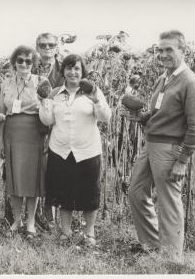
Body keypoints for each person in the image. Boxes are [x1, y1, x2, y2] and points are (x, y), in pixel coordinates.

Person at [126, 30, 195, 259]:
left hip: (170, 149)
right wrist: (141, 117)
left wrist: (183, 161)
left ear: (183, 50)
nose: (162, 54)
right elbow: (158, 113)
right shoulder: (165, 77)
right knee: (136, 191)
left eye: (169, 49)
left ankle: (171, 259)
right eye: (160, 49)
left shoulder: (190, 82)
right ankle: (151, 245)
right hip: (150, 144)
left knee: (169, 201)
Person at [39, 54, 111, 246]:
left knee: (90, 193)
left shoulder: (93, 92)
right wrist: (45, 102)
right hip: (60, 149)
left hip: (87, 150)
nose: (73, 72)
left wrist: (96, 100)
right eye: (69, 68)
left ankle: (89, 232)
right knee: (63, 192)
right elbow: (47, 121)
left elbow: (105, 117)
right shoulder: (54, 93)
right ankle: (66, 231)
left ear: (82, 71)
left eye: (77, 68)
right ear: (63, 71)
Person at [0, 45, 49, 239]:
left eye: (28, 61)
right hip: (12, 132)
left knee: (32, 179)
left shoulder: (41, 82)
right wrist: (0, 140)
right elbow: (2, 113)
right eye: (20, 60)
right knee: (15, 177)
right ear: (14, 63)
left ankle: (31, 222)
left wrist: (48, 137)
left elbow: (48, 111)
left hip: (34, 133)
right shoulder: (6, 83)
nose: (24, 64)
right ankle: (17, 220)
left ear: (33, 63)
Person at [32, 32, 65, 231]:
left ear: (57, 47)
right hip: (33, 126)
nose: (47, 48)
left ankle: (50, 217)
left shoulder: (64, 69)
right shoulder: (28, 65)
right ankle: (33, 215)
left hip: (59, 126)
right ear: (36, 47)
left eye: (51, 44)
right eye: (42, 45)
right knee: (35, 171)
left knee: (54, 171)